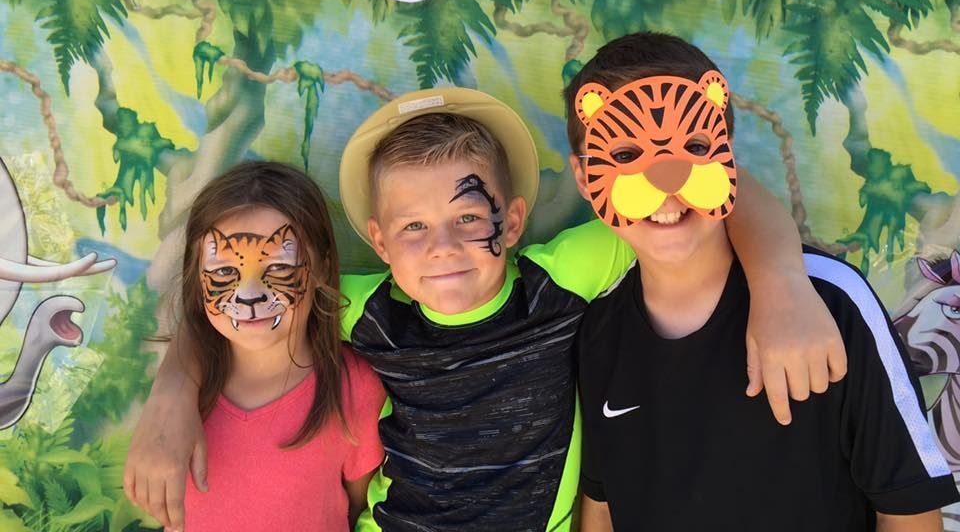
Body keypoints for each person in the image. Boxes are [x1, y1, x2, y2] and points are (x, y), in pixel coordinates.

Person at [124, 88, 846, 532]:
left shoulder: (563, 278)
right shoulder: (364, 311)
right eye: (412, 229)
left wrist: (782, 280)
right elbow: (251, 311)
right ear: (378, 241)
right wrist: (172, 394)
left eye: (469, 218)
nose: (442, 248)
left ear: (514, 216)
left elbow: (706, 185)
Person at [567, 32, 959, 531]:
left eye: (696, 145)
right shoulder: (596, 331)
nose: (667, 180)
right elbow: (599, 506)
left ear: (728, 155)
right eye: (625, 155)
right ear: (583, 178)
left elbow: (909, 511)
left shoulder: (833, 303)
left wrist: (782, 284)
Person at [164, 161, 385, 531]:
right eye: (223, 272)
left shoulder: (356, 386)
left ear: (322, 270)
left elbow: (356, 511)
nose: (249, 294)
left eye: (280, 268)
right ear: (195, 275)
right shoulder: (183, 394)